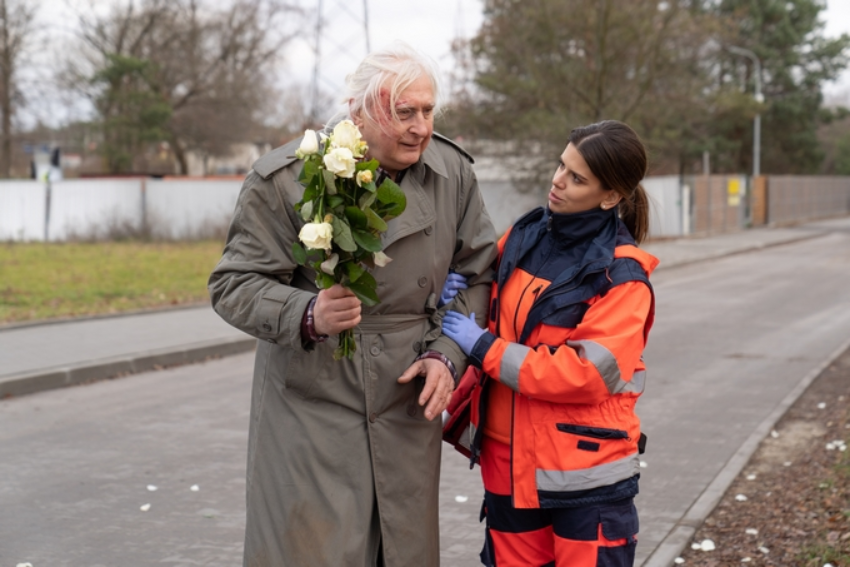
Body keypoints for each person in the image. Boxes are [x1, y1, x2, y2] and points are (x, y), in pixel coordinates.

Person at [208, 41, 497, 567]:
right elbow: (233, 284)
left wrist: (447, 356)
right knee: (310, 549)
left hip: (407, 399)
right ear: (357, 111)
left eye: (427, 111)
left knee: (402, 549)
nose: (419, 127)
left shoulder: (453, 174)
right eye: (402, 112)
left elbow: (482, 276)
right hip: (311, 405)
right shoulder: (285, 179)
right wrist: (307, 313)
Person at [441, 120, 658, 567]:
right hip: (506, 463)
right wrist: (464, 293)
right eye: (562, 165)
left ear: (611, 196)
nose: (558, 181)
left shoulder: (622, 277)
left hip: (584, 479)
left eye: (577, 178)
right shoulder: (524, 236)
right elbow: (492, 302)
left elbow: (584, 374)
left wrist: (483, 347)